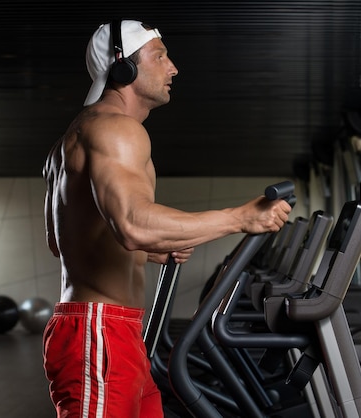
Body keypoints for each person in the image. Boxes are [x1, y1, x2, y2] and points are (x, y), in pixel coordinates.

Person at [42, 19, 291, 418]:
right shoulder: (116, 130)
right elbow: (133, 224)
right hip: (101, 332)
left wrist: (146, 250)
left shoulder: (76, 136)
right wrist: (239, 218)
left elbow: (64, 239)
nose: (172, 68)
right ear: (123, 66)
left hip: (113, 330)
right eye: (159, 56)